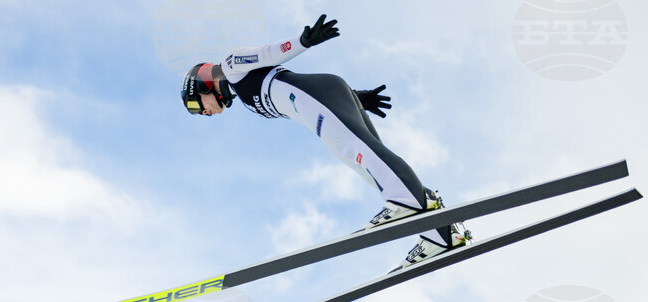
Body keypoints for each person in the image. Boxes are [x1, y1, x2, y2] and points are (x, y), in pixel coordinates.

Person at [180, 14, 471, 269]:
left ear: (201, 83)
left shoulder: (231, 65)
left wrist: (303, 41)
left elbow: (268, 54)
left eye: (195, 105)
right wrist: (358, 99)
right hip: (326, 98)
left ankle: (410, 201)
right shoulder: (242, 94)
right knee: (369, 166)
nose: (202, 112)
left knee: (358, 152)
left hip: (319, 99)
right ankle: (442, 233)